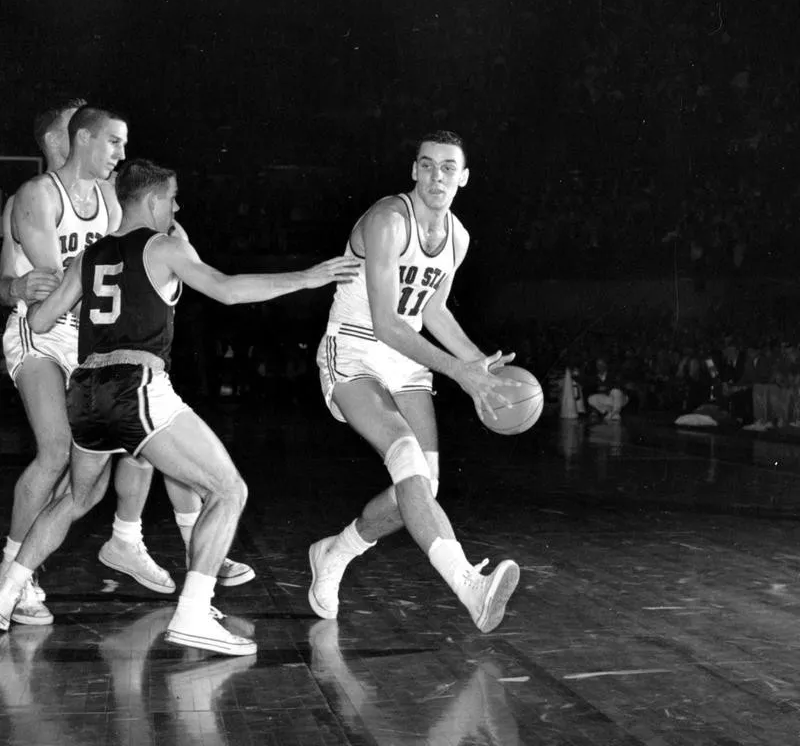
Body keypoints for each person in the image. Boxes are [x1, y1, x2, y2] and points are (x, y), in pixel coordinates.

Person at [0, 157, 359, 655]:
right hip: (135, 385)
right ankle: (193, 613)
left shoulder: (88, 256)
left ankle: (3, 593)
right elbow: (229, 291)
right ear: (151, 202)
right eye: (172, 199)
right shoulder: (163, 247)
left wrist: (20, 290)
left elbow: (38, 325)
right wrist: (309, 276)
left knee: (76, 500)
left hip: (84, 391)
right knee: (229, 489)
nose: (176, 206)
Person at [310, 130, 520, 634]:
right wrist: (456, 371)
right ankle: (469, 584)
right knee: (404, 456)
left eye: (448, 168)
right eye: (427, 166)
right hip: (356, 346)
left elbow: (433, 309)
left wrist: (478, 365)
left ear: (463, 178)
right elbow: (386, 323)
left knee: (422, 487)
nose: (436, 176)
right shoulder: (387, 220)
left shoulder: (459, 237)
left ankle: (335, 552)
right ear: (414, 171)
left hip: (406, 361)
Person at [0, 101, 180, 627]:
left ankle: (128, 538)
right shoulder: (35, 195)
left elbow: (145, 239)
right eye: (112, 143)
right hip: (40, 331)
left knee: (140, 436)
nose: (121, 155)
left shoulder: (108, 195)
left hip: (90, 338)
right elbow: (60, 286)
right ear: (74, 139)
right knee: (55, 450)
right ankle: (14, 566)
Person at [583, 356, 628, 422]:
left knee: (616, 391)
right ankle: (608, 412)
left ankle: (615, 413)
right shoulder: (595, 377)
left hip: (619, 399)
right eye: (598, 364)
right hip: (608, 400)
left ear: (606, 365)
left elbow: (620, 385)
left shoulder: (613, 374)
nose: (600, 366)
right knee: (591, 399)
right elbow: (586, 384)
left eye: (602, 364)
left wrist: (607, 388)